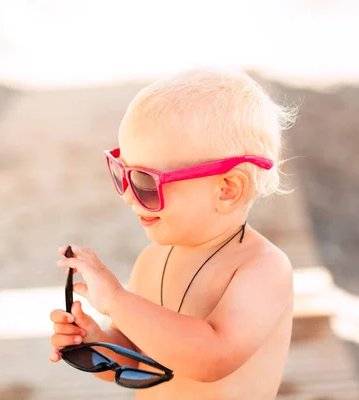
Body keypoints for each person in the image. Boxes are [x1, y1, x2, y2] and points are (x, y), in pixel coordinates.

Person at [49, 69, 296, 399]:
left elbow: (212, 357)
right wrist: (98, 342)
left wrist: (116, 300)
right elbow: (143, 360)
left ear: (226, 189)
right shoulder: (152, 259)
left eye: (145, 182)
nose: (127, 195)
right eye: (122, 174)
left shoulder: (262, 268)